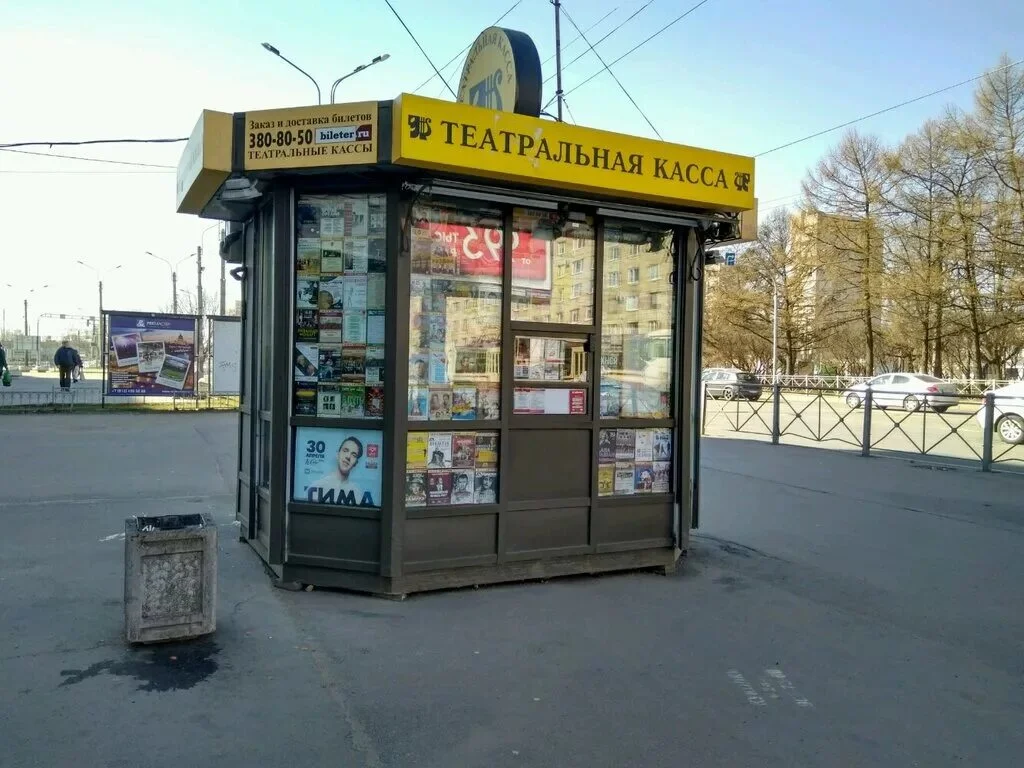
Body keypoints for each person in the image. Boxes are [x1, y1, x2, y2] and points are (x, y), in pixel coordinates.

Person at [312, 437, 367, 506]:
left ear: (356, 463)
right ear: (337, 454)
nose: (348, 457)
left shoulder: (357, 493)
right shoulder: (317, 486)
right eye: (345, 451)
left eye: (353, 455)